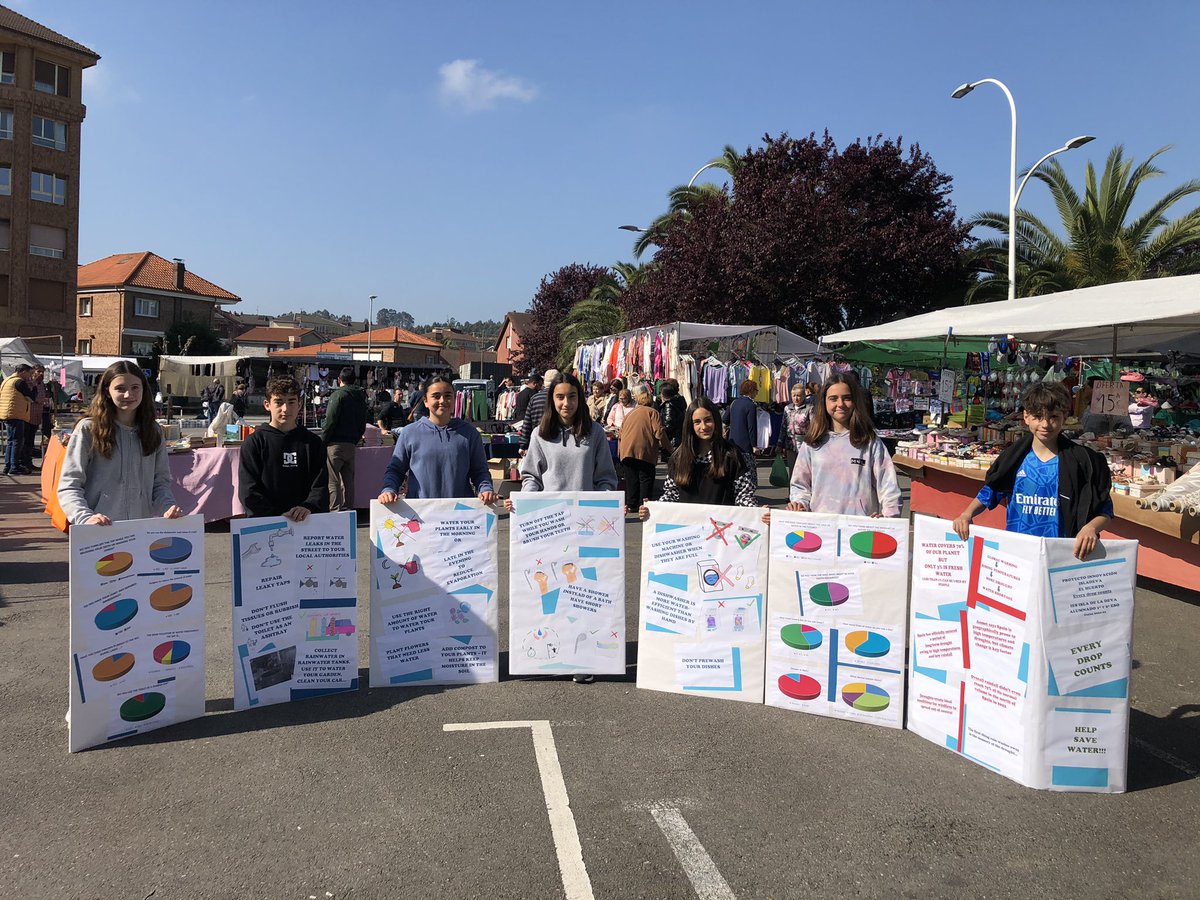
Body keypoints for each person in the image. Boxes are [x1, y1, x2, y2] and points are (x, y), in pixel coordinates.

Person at [509, 371, 618, 684]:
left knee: (584, 594)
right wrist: (527, 506)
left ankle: (583, 659)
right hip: (549, 527)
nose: (566, 403)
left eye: (571, 396)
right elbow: (531, 476)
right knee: (551, 594)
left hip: (587, 529)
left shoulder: (594, 433)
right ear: (551, 400)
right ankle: (548, 656)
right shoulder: (540, 436)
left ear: (579, 399)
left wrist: (606, 504)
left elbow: (606, 478)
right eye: (560, 397)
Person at [954, 382, 1112, 560]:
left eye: (1053, 417)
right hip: (1017, 553)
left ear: (1065, 417)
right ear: (1026, 416)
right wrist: (966, 514)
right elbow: (991, 490)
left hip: (1062, 555)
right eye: (1038, 416)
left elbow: (1105, 508)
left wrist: (1090, 528)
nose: (1045, 424)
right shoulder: (1013, 458)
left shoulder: (1082, 462)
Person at [57, 361, 183, 525]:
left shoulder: (154, 431)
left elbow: (160, 483)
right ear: (107, 391)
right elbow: (69, 485)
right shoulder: (88, 429)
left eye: (135, 388)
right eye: (120, 388)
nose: (128, 394)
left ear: (144, 390)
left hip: (139, 531)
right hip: (99, 531)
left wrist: (168, 507)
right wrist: (85, 517)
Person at [787, 373, 901, 518]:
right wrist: (799, 504)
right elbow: (800, 485)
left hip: (859, 531)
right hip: (821, 528)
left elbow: (889, 486)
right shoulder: (812, 443)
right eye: (833, 399)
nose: (840, 404)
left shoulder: (869, 441)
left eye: (846, 398)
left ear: (855, 401)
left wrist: (888, 519)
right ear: (824, 402)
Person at [377, 375, 497, 504]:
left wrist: (485, 489)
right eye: (436, 396)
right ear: (425, 401)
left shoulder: (469, 433)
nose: (442, 400)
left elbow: (480, 471)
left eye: (448, 396)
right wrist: (389, 489)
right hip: (419, 513)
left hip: (461, 514)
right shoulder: (409, 433)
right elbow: (396, 470)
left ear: (455, 399)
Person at [640, 398, 759, 518]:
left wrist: (757, 512)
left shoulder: (731, 455)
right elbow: (671, 495)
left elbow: (743, 494)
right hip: (688, 529)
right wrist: (653, 509)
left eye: (708, 420)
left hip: (721, 529)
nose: (703, 427)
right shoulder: (679, 458)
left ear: (716, 420)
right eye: (697, 422)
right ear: (690, 425)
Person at [238, 374, 329, 521]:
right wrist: (276, 518)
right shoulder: (254, 443)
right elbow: (248, 490)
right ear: (267, 405)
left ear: (299, 404)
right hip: (266, 525)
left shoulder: (313, 443)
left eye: (291, 402)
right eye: (279, 402)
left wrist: (308, 506)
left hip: (305, 524)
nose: (285, 409)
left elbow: (320, 486)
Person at [322, 367, 369, 512]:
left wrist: (323, 439)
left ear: (339, 380)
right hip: (351, 443)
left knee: (333, 480)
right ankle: (348, 509)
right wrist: (355, 439)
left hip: (335, 443)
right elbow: (363, 422)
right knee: (348, 480)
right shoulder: (361, 397)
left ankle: (335, 511)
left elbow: (330, 419)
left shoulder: (338, 395)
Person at [617, 386, 668, 511]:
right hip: (644, 451)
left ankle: (631, 505)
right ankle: (644, 504)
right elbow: (659, 433)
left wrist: (620, 453)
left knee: (631, 478)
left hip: (627, 451)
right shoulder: (653, 412)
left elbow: (620, 434)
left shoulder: (630, 414)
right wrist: (671, 449)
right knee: (646, 477)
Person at [1, 364, 35, 475]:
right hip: (16, 414)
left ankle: (8, 466)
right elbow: (30, 397)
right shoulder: (20, 382)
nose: (30, 376)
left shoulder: (7, 380)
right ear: (23, 371)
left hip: (8, 413)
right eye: (29, 373)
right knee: (17, 441)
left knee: (10, 441)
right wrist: (33, 388)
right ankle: (14, 467)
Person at [726, 379, 759, 486]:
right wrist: (754, 445)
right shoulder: (751, 405)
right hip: (745, 444)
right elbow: (751, 427)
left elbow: (724, 419)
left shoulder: (734, 403)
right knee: (747, 471)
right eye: (756, 390)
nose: (757, 393)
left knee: (735, 469)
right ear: (751, 391)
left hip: (732, 442)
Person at [519, 368, 558, 452]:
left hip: (537, 441)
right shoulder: (560, 398)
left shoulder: (535, 398)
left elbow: (527, 423)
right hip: (557, 441)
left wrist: (523, 445)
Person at [658, 380, 687, 453]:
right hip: (679, 438)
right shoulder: (678, 401)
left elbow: (668, 425)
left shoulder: (668, 405)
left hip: (672, 441)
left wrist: (661, 435)